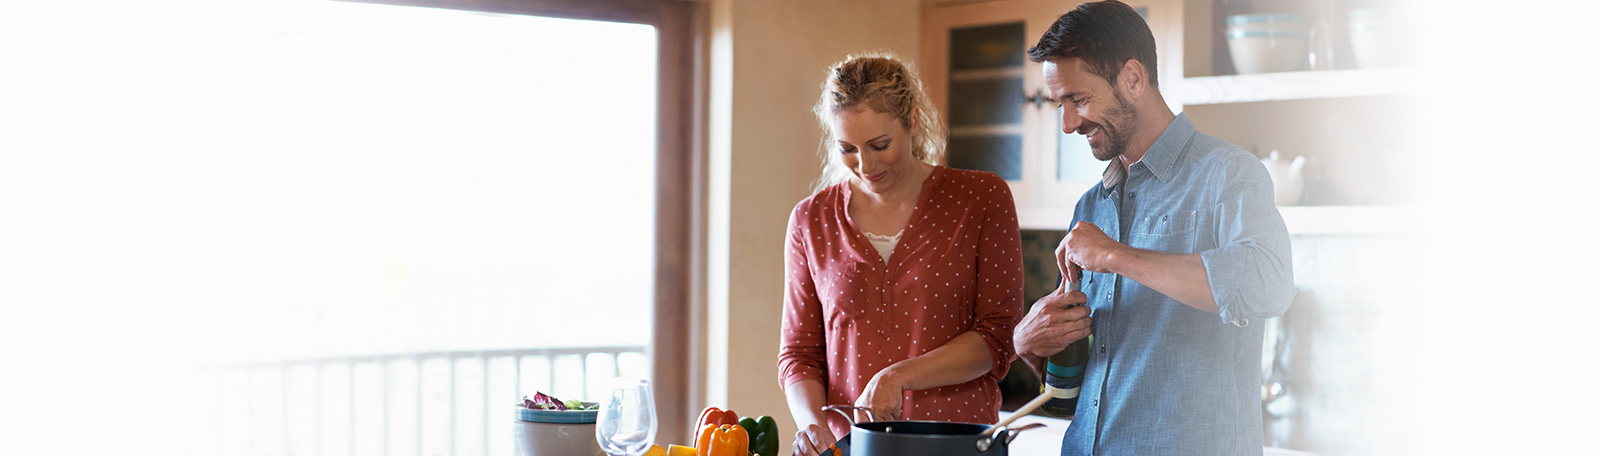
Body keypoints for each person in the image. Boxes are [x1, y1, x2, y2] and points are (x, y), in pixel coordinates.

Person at [1011, 2, 1296, 455]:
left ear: (1133, 79)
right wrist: (1031, 344)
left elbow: (1269, 284)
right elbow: (1091, 386)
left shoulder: (1227, 173)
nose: (1067, 124)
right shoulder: (1092, 205)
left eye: (1078, 100)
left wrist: (1115, 256)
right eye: (1059, 105)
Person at [777, 53, 1025, 456]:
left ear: (913, 121)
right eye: (848, 149)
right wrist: (811, 425)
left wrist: (897, 377)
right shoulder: (811, 219)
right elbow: (799, 355)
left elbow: (998, 337)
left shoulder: (981, 198)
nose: (865, 165)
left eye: (879, 145)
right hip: (853, 446)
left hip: (957, 447)